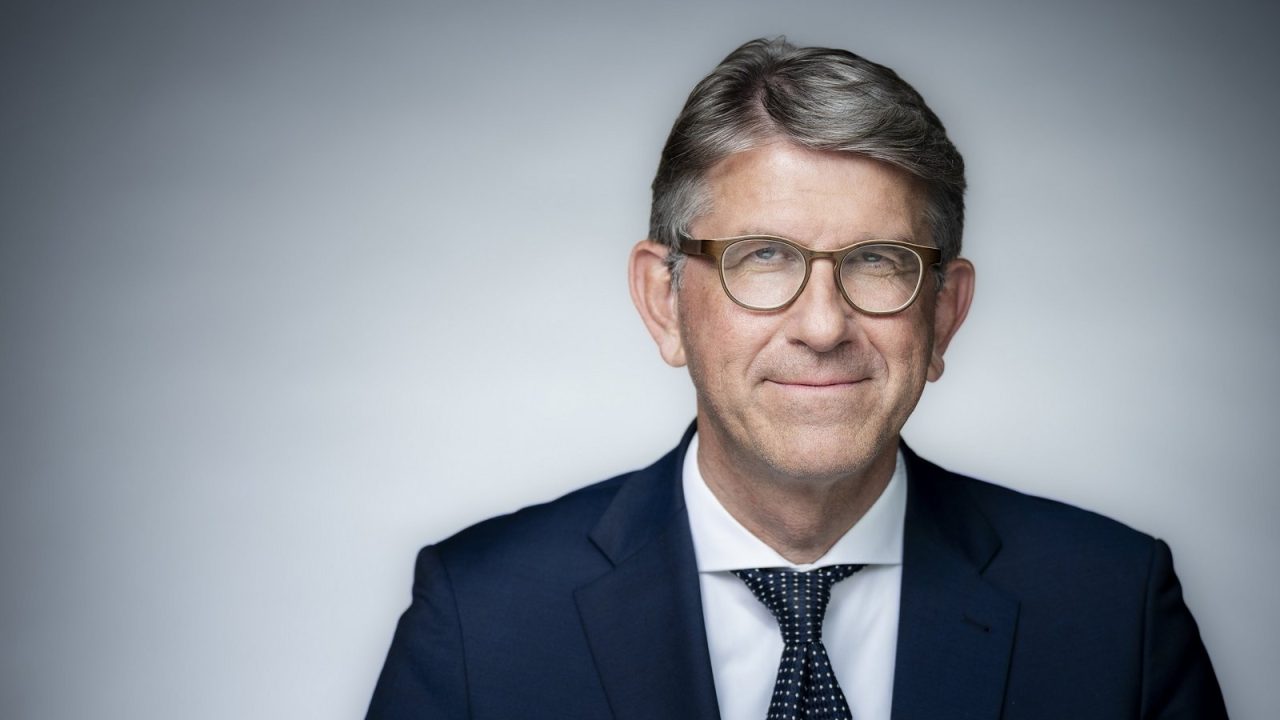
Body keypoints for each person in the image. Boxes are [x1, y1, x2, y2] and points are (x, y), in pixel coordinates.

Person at [366, 37, 1226, 720]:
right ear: (663, 302)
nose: (822, 327)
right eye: (764, 257)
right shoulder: (481, 617)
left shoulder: (1115, 612)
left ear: (945, 314)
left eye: (879, 262)